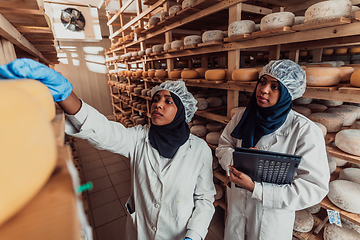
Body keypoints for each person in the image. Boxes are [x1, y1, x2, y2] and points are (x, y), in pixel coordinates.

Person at [0, 58, 215, 240]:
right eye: (156, 99)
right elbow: (104, 131)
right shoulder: (140, 138)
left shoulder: (200, 150)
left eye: (168, 101)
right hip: (141, 231)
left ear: (181, 113)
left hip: (179, 234)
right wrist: (65, 94)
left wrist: (193, 235)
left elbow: (204, 199)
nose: (158, 104)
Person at [215, 60, 330, 240]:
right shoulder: (242, 117)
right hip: (238, 207)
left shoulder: (304, 131)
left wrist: (256, 188)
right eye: (263, 82)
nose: (264, 89)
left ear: (288, 93)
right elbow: (224, 146)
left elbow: (313, 187)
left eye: (275, 86)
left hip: (270, 219)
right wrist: (240, 161)